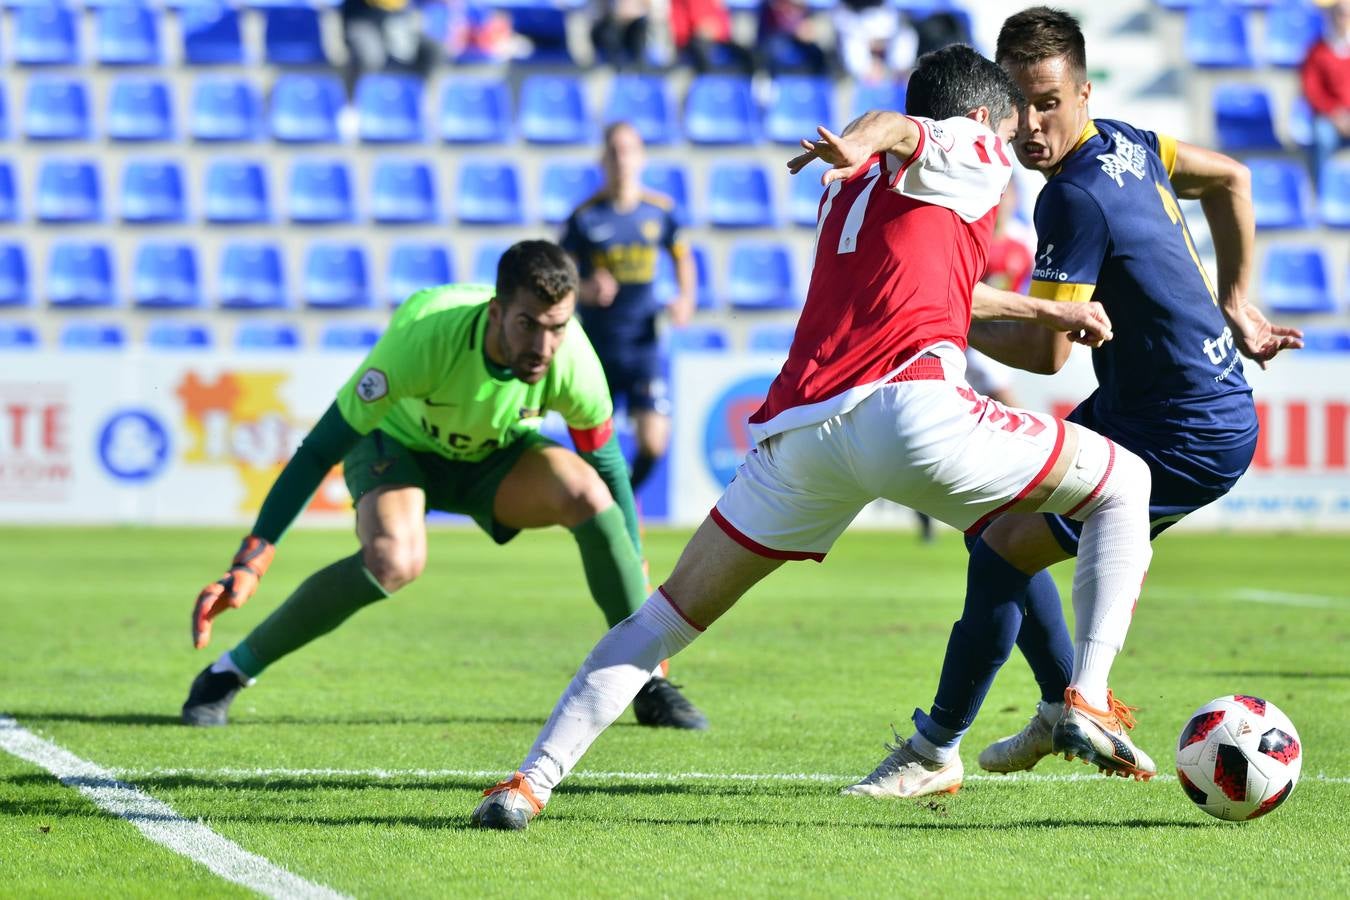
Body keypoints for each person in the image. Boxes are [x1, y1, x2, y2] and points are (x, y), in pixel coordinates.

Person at [470, 44, 1154, 830]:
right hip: (910, 414)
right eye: (1003, 125)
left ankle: (528, 785)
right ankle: (1086, 697)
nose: (1011, 139)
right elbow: (902, 128)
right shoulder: (966, 146)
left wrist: (1048, 311)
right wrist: (871, 133)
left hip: (802, 438)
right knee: (1123, 484)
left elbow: (944, 285)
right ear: (976, 119)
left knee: (664, 616)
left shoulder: (853, 191)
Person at [890, 7, 1304, 798]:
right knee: (997, 537)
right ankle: (1051, 709)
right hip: (1160, 409)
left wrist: (942, 312)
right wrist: (1238, 301)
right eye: (1019, 104)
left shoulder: (1070, 199)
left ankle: (958, 739)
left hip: (1185, 430)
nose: (1032, 126)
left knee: (1003, 544)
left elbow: (1047, 352)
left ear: (1082, 91)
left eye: (1049, 102)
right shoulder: (1131, 141)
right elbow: (1231, 179)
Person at [181, 241, 708, 731]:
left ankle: (647, 680)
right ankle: (227, 673)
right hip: (400, 447)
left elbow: (611, 468)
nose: (544, 346)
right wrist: (253, 557)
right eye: (528, 325)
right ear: (496, 312)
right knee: (394, 560)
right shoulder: (424, 340)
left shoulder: (572, 362)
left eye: (557, 327)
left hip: (492, 455)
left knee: (590, 496)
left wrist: (635, 565)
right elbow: (320, 449)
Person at [561, 122, 695, 496]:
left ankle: (623, 497)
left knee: (654, 443)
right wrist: (585, 289)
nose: (622, 159)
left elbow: (683, 257)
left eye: (629, 150)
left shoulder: (661, 212)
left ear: (641, 157)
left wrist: (685, 298)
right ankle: (602, 504)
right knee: (593, 448)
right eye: (614, 151)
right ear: (603, 159)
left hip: (643, 343)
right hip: (597, 345)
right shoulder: (584, 216)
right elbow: (561, 277)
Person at [1301, 0, 1350, 185]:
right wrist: (1335, 114)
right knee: (1323, 138)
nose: (1344, 19)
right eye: (1340, 14)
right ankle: (1320, 191)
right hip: (1328, 117)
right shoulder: (1316, 51)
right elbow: (1311, 91)